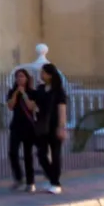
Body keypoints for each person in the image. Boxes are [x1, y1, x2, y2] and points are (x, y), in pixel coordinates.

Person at [32, 64, 68, 195]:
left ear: (50, 75)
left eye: (44, 73)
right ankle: (52, 176)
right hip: (42, 125)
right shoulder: (40, 89)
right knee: (41, 154)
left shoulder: (58, 91)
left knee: (55, 154)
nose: (41, 75)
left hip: (54, 125)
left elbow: (62, 109)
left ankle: (55, 182)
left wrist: (61, 126)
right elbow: (33, 105)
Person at [5, 68, 38, 192]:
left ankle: (31, 182)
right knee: (12, 152)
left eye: (22, 76)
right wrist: (16, 94)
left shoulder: (32, 92)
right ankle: (18, 178)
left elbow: (32, 107)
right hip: (16, 126)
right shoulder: (12, 91)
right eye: (18, 77)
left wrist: (24, 94)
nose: (20, 79)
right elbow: (10, 106)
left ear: (27, 78)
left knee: (27, 154)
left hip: (28, 127)